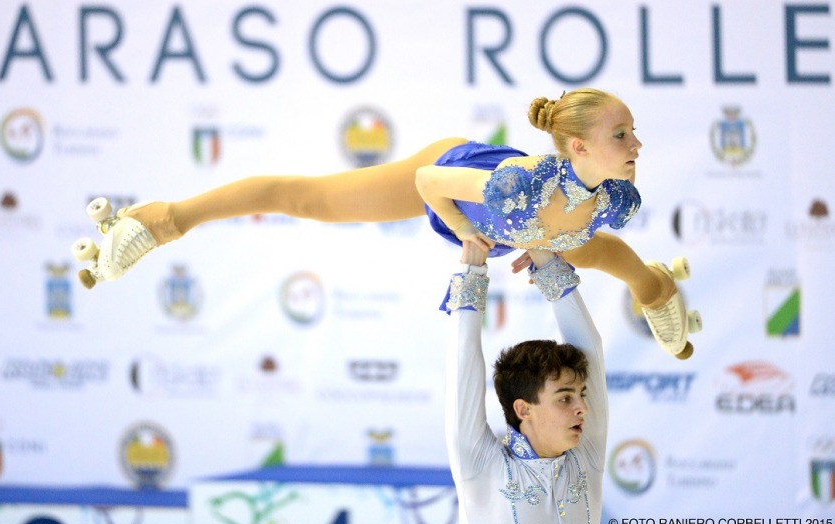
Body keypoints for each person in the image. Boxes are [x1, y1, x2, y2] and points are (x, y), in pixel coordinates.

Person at [72, 88, 696, 357]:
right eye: (621, 134)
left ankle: (657, 288)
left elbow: (597, 240)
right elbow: (428, 182)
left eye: (632, 131)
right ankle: (164, 219)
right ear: (578, 147)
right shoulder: (517, 186)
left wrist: (538, 241)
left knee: (596, 251)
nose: (637, 143)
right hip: (456, 177)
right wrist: (468, 233)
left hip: (532, 222)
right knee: (308, 200)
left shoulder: (616, 195)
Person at [441, 246, 606, 524]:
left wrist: (544, 257)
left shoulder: (586, 453)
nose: (582, 408)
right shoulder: (482, 465)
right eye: (565, 398)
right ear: (523, 408)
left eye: (581, 395)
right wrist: (473, 266)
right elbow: (463, 365)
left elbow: (590, 348)